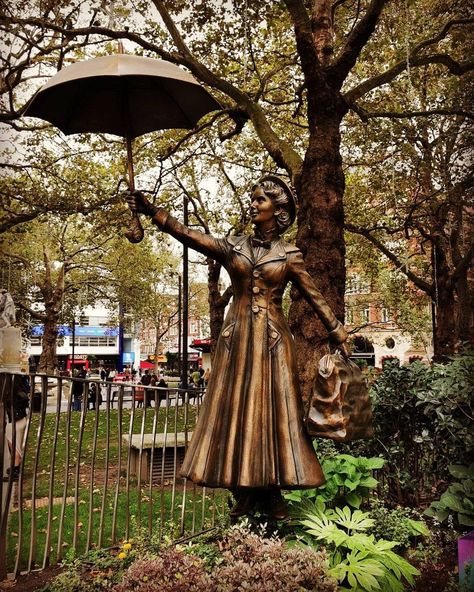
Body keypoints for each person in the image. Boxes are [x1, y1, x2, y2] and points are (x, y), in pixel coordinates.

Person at [126, 175, 349, 520]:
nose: (254, 205)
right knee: (238, 413)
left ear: (279, 210)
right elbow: (190, 236)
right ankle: (243, 488)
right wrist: (153, 212)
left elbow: (312, 293)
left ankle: (273, 489)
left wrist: (336, 329)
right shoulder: (234, 246)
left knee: (275, 414)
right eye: (254, 199)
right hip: (238, 338)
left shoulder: (289, 254)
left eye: (261, 200)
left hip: (273, 342)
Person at [4, 374, 30, 481]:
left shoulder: (13, 387)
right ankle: (15, 467)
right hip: (18, 417)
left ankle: (16, 469)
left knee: (14, 444)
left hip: (17, 418)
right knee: (14, 443)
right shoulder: (20, 385)